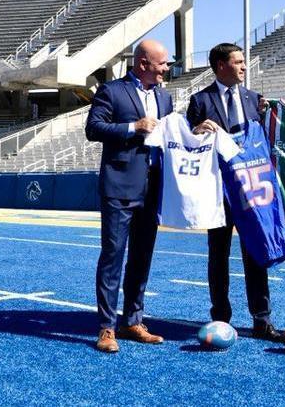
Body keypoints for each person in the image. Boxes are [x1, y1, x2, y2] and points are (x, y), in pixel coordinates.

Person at [187, 43, 282, 341]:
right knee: (219, 255)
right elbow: (188, 145)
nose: (244, 67)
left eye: (244, 62)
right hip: (218, 191)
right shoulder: (199, 100)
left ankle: (262, 318)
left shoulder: (255, 100)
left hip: (251, 189)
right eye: (238, 62)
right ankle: (221, 317)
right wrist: (196, 132)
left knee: (256, 251)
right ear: (220, 66)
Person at [85, 39, 174, 353]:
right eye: (163, 63)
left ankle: (133, 320)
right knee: (113, 257)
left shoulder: (165, 97)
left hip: (153, 188)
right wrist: (131, 127)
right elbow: (93, 128)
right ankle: (107, 328)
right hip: (119, 186)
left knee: (141, 257)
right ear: (144, 63)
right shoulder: (112, 91)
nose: (167, 68)